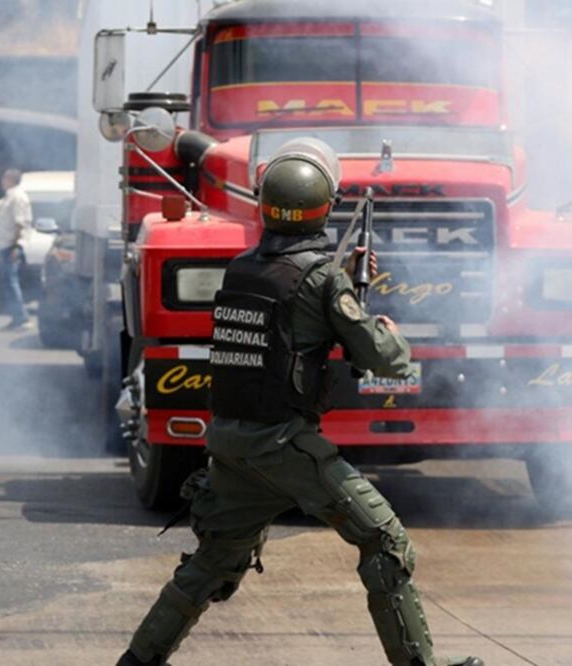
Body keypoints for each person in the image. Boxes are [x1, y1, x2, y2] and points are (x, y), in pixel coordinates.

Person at [117, 141, 483, 666]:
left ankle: (136, 661)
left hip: (232, 445)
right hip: (285, 446)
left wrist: (341, 282)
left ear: (265, 205)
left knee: (210, 565)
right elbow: (385, 359)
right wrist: (384, 328)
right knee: (384, 540)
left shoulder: (242, 269)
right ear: (323, 208)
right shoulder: (323, 281)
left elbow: (290, 313)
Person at [0, 168, 31, 330]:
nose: (2, 181)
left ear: (11, 180)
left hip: (11, 247)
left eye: (5, 178)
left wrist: (15, 246)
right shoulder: (8, 197)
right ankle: (16, 317)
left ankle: (22, 317)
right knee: (6, 283)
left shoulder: (18, 197)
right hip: (4, 246)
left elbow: (19, 223)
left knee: (11, 282)